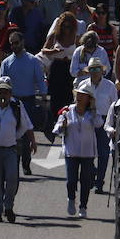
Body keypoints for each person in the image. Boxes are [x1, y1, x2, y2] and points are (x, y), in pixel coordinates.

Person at [0, 78, 35, 222]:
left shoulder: (16, 105)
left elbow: (26, 125)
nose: (3, 94)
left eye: (6, 91)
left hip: (10, 149)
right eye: (0, 91)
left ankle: (8, 207)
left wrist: (24, 139)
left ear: (10, 93)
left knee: (12, 179)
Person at [0, 30, 46, 177]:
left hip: (28, 100)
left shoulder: (33, 61)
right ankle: (13, 165)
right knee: (12, 134)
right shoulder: (6, 62)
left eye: (16, 43)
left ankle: (26, 163)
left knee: (25, 134)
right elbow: (1, 83)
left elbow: (40, 80)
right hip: (12, 101)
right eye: (11, 44)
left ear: (22, 42)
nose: (14, 46)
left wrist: (43, 95)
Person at [55, 82, 105, 218]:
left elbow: (99, 124)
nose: (79, 97)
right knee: (71, 180)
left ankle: (83, 206)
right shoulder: (67, 111)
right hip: (71, 151)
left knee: (86, 180)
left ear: (89, 99)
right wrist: (62, 126)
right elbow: (57, 130)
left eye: (83, 95)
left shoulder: (93, 113)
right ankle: (71, 199)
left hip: (88, 153)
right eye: (78, 94)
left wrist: (94, 109)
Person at [78, 57, 118, 192]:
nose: (95, 72)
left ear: (102, 71)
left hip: (105, 121)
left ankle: (99, 182)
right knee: (85, 153)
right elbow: (78, 105)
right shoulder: (83, 85)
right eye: (92, 69)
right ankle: (91, 174)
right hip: (87, 120)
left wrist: (114, 125)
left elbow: (115, 106)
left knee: (104, 154)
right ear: (88, 71)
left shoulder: (110, 86)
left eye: (97, 69)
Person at [41, 11, 81, 143]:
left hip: (69, 68)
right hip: (57, 68)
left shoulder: (75, 37)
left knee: (69, 98)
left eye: (69, 26)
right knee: (55, 100)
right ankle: (52, 125)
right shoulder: (54, 35)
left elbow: (81, 51)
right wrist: (53, 51)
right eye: (64, 26)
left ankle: (68, 126)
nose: (66, 29)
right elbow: (44, 50)